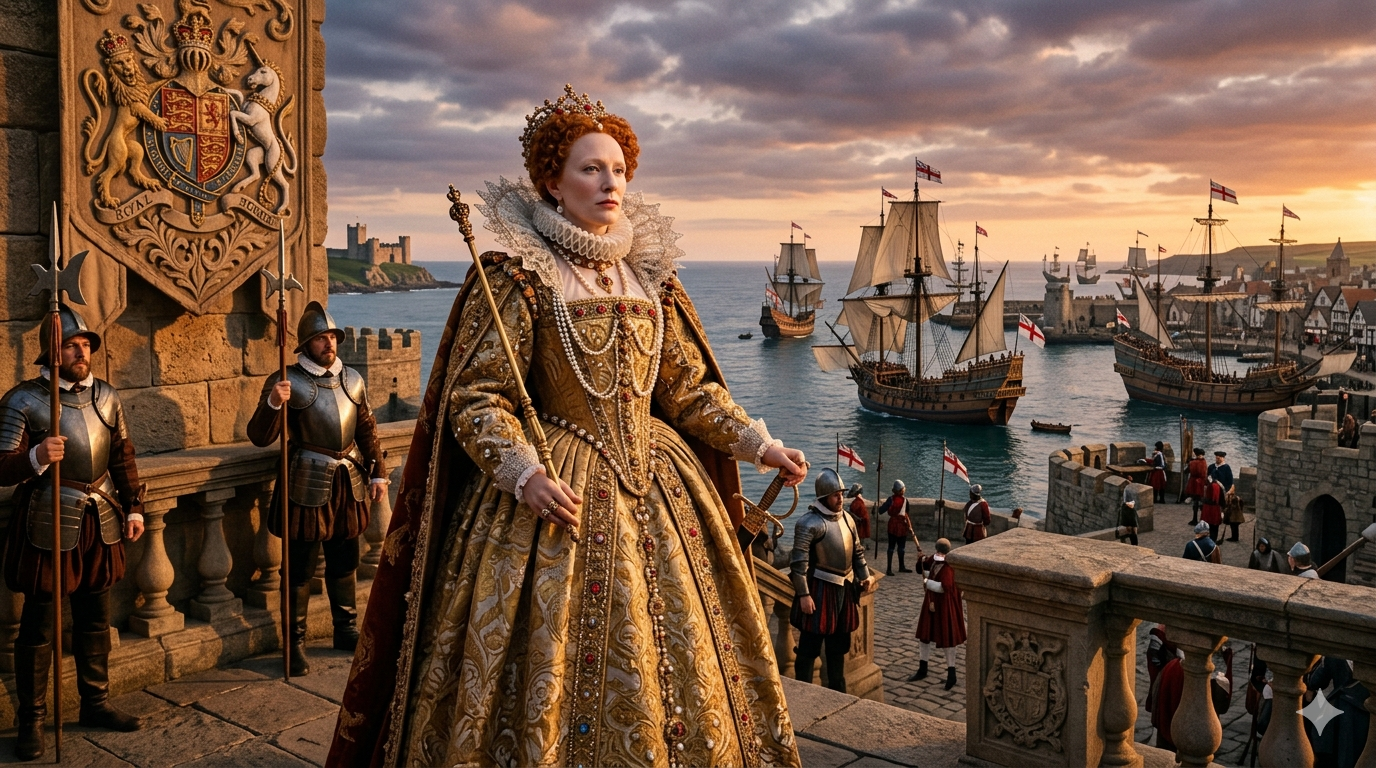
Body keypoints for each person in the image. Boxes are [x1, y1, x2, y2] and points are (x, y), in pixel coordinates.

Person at [328, 86, 806, 767]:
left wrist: (758, 444)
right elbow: (477, 399)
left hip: (659, 487)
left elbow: (687, 390)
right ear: (552, 181)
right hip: (555, 495)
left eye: (617, 168)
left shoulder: (652, 281)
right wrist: (522, 472)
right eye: (590, 168)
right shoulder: (521, 279)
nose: (610, 181)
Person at [0, 305, 146, 760]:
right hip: (47, 516)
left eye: (86, 345)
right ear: (51, 350)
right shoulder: (23, 400)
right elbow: (1, 468)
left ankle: (96, 703)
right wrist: (37, 456)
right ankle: (32, 721)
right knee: (39, 624)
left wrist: (134, 505)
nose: (81, 352)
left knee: (95, 616)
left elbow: (121, 456)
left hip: (100, 516)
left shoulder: (107, 396)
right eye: (71, 345)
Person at [247, 302, 388, 676]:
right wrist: (273, 402)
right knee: (300, 568)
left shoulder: (353, 379)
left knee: (345, 560)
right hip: (306, 480)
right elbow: (260, 437)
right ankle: (294, 644)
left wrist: (378, 473)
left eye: (332, 337)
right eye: (320, 339)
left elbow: (367, 429)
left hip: (350, 480)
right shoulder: (287, 380)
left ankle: (345, 630)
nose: (329, 344)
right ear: (306, 344)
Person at [789, 469, 872, 694]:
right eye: (836, 495)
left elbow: (857, 552)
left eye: (841, 494)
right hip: (818, 591)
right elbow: (799, 564)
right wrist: (804, 595)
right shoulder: (809, 523)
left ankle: (839, 693)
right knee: (808, 649)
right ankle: (802, 694)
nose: (841, 499)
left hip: (845, 590)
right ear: (824, 496)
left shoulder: (847, 519)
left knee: (838, 649)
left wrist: (864, 577)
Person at [908, 538, 966, 690]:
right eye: (937, 551)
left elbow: (944, 587)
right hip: (931, 603)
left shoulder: (950, 567)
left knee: (947, 638)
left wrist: (927, 583)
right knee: (924, 635)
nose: (938, 554)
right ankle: (923, 668)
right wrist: (920, 559)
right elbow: (923, 569)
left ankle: (951, 674)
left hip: (944, 606)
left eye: (941, 552)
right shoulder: (934, 560)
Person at [1304, 657, 1369, 768]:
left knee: (1344, 751)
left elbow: (1316, 681)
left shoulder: (1334, 655)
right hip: (1367, 709)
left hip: (1343, 708)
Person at [878, 479, 913, 575]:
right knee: (901, 547)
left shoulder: (890, 499)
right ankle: (901, 566)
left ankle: (889, 569)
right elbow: (907, 514)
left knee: (891, 547)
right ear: (901, 490)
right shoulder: (905, 501)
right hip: (902, 525)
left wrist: (877, 508)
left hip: (892, 525)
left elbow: (881, 511)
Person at [1183, 448, 1208, 524]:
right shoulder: (1204, 462)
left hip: (1194, 482)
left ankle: (1195, 519)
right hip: (1201, 482)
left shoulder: (1193, 462)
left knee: (1196, 501)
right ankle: (1203, 519)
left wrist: (1189, 462)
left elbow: (1186, 471)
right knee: (1201, 500)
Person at [1200, 477, 1225, 543]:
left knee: (1208, 526)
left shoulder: (1211, 486)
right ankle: (1212, 540)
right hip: (1215, 509)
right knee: (1214, 526)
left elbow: (1211, 498)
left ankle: (1208, 541)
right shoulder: (1218, 486)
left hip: (1209, 509)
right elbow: (1221, 500)